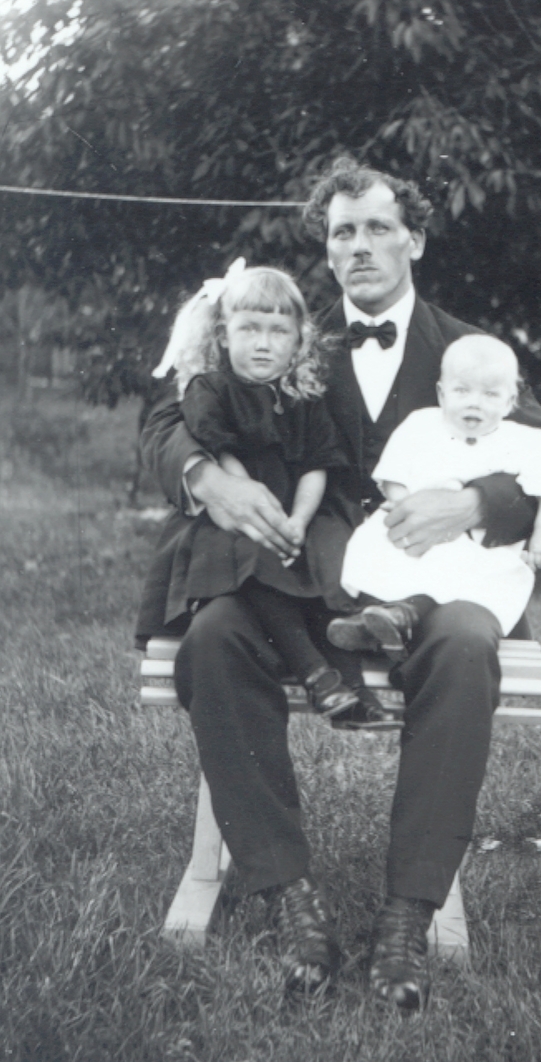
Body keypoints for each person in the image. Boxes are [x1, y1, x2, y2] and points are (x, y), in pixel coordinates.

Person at [140, 157, 541, 1011]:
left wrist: (474, 502)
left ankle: (407, 916)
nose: (360, 246)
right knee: (214, 637)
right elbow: (169, 418)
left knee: (466, 644)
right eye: (343, 232)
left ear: (414, 239)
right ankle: (291, 899)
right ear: (327, 247)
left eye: (379, 228)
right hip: (298, 572)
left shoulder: (467, 352)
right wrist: (208, 477)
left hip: (432, 582)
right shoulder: (288, 332)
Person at [136, 261, 367, 720]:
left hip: (294, 515)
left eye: (279, 331)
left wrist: (298, 520)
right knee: (252, 565)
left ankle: (354, 685)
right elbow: (222, 456)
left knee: (329, 560)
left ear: (299, 340)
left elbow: (317, 465)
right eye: (249, 329)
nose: (263, 343)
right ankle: (315, 673)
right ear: (224, 336)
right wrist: (251, 505)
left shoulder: (305, 397)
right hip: (235, 520)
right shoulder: (211, 389)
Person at [328, 334, 541, 661]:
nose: (474, 403)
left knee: (473, 576)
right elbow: (394, 473)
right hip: (416, 527)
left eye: (490, 394)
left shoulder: (526, 440)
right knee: (376, 547)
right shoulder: (421, 425)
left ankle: (398, 618)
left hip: (476, 543)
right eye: (462, 391)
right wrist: (405, 506)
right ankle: (373, 614)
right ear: (442, 393)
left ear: (510, 400)